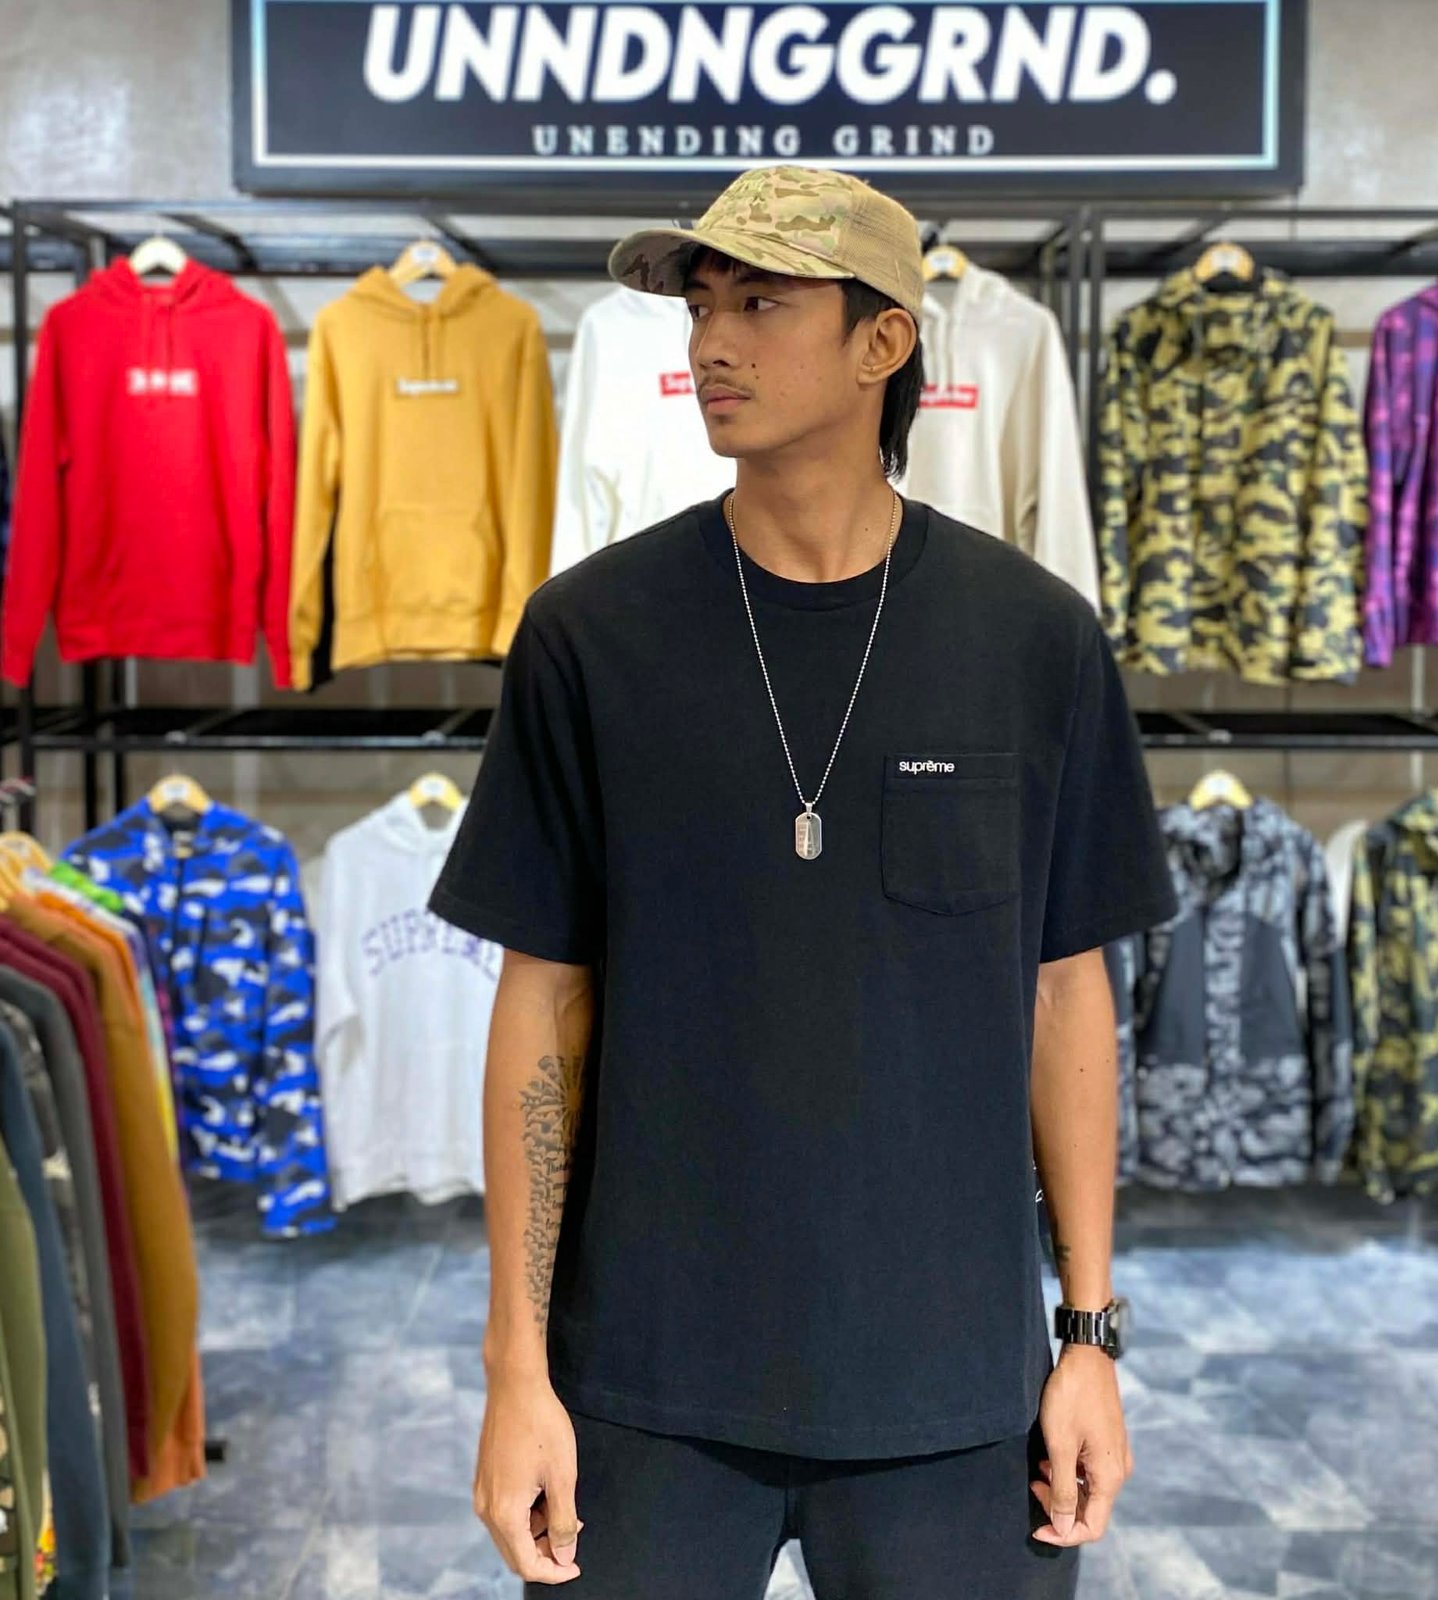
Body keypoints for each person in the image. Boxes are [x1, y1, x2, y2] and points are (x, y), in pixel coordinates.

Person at [428, 163, 1178, 1599]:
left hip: (956, 1392)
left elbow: (1063, 992)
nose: (711, 342)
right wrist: (515, 1367)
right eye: (701, 306)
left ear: (883, 340)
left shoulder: (1034, 640)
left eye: (761, 305)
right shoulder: (590, 636)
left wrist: (1087, 1338)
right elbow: (543, 1006)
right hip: (643, 1386)